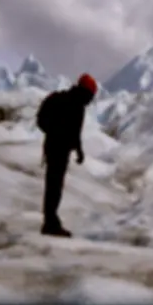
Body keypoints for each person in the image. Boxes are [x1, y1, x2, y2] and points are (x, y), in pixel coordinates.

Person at [35, 73, 97, 237]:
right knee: (54, 186)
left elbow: (75, 132)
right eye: (90, 96)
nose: (90, 101)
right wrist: (60, 137)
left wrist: (78, 149)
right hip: (57, 149)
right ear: (85, 92)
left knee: (54, 185)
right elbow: (71, 130)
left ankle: (51, 220)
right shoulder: (69, 103)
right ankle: (50, 223)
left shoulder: (71, 104)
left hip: (57, 149)